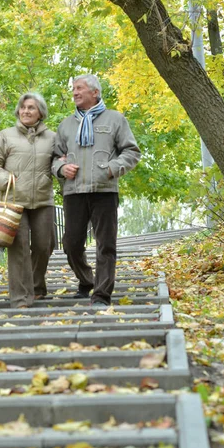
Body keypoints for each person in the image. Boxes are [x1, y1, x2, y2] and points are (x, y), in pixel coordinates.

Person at [52, 74, 141, 307]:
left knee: (106, 244)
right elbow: (54, 158)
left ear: (95, 93)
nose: (74, 92)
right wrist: (62, 168)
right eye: (73, 89)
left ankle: (101, 294)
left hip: (105, 191)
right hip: (74, 192)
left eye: (79, 88)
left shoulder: (115, 120)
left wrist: (111, 169)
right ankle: (86, 280)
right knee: (71, 243)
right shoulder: (66, 125)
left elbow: (132, 152)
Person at [0, 93, 56, 309]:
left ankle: (36, 286)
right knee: (19, 248)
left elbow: (60, 162)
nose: (25, 111)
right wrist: (4, 179)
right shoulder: (5, 136)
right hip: (13, 201)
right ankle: (20, 298)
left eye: (31, 108)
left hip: (43, 200)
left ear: (40, 112)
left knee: (45, 245)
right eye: (23, 107)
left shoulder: (53, 138)